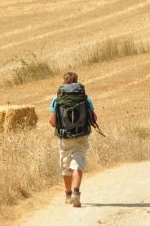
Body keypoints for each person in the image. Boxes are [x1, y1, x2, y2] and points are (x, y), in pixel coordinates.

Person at [48, 72, 97, 208]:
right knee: (78, 164)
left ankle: (68, 194)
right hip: (81, 136)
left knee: (66, 167)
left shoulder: (57, 99)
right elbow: (94, 118)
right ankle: (76, 193)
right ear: (77, 82)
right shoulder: (85, 98)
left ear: (64, 82)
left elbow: (52, 122)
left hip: (64, 137)